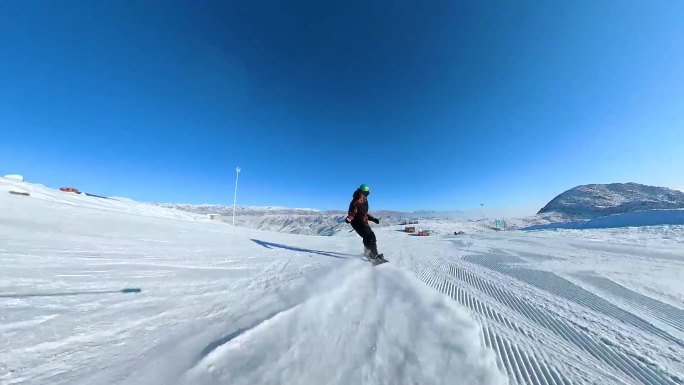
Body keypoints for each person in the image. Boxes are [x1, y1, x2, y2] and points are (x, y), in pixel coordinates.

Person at [345, 184, 381, 259]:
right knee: (371, 236)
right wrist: (350, 217)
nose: (369, 192)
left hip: (358, 221)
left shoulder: (360, 196)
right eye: (368, 191)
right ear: (366, 191)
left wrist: (373, 219)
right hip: (359, 221)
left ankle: (367, 253)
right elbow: (355, 206)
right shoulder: (361, 196)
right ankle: (374, 256)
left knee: (366, 237)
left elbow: (363, 213)